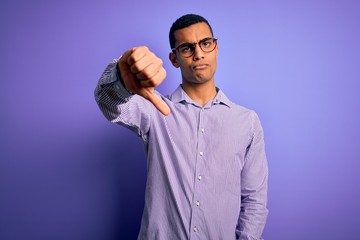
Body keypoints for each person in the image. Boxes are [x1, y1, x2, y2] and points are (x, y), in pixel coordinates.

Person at [95, 14, 268, 240]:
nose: (198, 54)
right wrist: (120, 77)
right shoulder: (153, 110)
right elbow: (108, 102)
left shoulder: (247, 121)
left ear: (216, 48)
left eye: (205, 43)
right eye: (187, 48)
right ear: (174, 58)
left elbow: (254, 201)